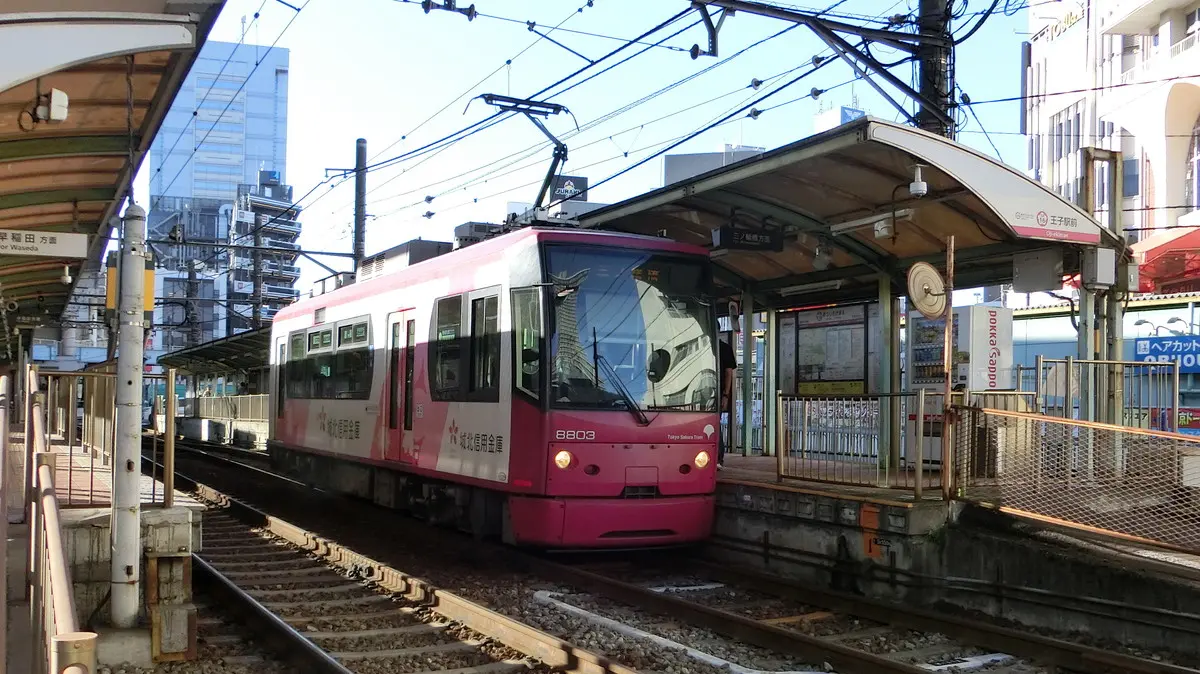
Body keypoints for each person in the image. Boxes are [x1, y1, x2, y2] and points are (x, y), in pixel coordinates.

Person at [717, 337, 736, 470]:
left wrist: (725, 394)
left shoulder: (722, 348)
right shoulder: (725, 347)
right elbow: (729, 373)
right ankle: (718, 458)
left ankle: (718, 457)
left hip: (708, 394)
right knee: (715, 425)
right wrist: (725, 394)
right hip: (717, 394)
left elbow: (729, 372)